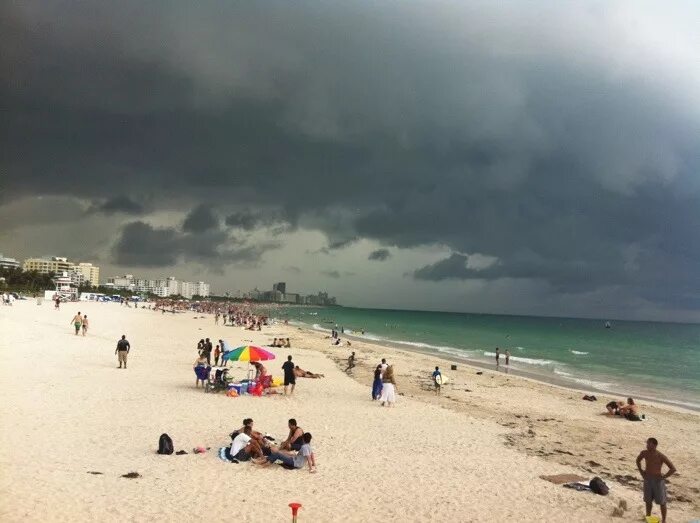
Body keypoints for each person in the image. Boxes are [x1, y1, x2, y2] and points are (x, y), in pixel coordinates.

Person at [636, 437, 676, 523]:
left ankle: (664, 520)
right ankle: (648, 518)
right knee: (648, 501)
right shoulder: (644, 453)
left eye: (649, 444)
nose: (647, 445)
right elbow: (638, 460)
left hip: (658, 481)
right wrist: (641, 472)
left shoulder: (660, 456)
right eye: (647, 443)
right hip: (647, 480)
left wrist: (664, 477)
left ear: (654, 445)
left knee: (662, 502)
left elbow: (673, 469)